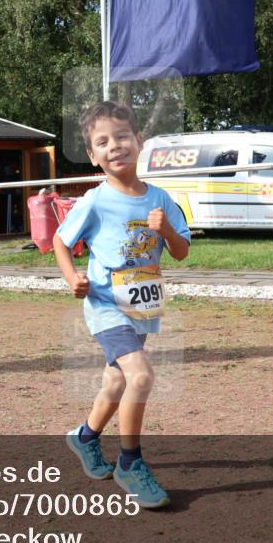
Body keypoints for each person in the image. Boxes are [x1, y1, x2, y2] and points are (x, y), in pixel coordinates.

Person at [54, 101, 191, 509]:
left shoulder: (162, 199)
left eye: (121, 136)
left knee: (116, 382)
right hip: (105, 304)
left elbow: (181, 251)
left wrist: (166, 228)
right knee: (141, 376)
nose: (114, 146)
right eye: (102, 142)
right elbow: (61, 241)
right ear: (94, 156)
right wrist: (73, 279)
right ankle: (130, 463)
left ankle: (84, 437)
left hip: (142, 304)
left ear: (139, 141)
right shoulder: (95, 201)